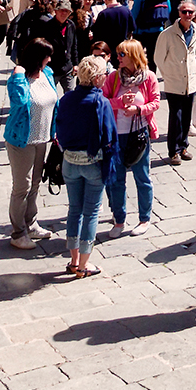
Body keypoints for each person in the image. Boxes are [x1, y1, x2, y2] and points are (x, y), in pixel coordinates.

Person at [55, 52, 117, 277]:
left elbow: (59, 129)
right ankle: (83, 264)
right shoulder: (101, 102)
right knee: (91, 213)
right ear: (97, 78)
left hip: (70, 161)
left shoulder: (67, 99)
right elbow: (109, 136)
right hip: (93, 163)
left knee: (74, 210)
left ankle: (73, 260)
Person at [3, 41, 59, 250]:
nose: (50, 60)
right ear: (37, 57)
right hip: (21, 140)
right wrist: (18, 76)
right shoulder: (18, 78)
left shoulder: (48, 73)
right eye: (47, 56)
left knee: (35, 183)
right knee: (21, 187)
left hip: (42, 139)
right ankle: (18, 233)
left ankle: (31, 223)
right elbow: (18, 102)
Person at [102, 38, 159, 237]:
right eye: (118, 53)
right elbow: (102, 101)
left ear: (134, 56)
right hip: (116, 136)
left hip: (139, 135)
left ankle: (144, 219)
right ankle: (119, 220)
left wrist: (138, 109)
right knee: (116, 180)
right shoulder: (113, 78)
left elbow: (156, 102)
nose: (117, 57)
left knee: (142, 177)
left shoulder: (148, 77)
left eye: (122, 54)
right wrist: (119, 102)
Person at [155, 2, 196, 165]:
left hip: (190, 80)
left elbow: (194, 52)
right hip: (174, 81)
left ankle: (183, 146)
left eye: (190, 12)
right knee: (175, 116)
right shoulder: (167, 34)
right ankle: (173, 151)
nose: (187, 15)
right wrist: (168, 74)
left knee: (187, 115)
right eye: (184, 11)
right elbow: (158, 58)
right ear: (179, 13)